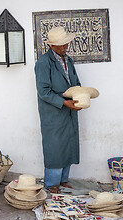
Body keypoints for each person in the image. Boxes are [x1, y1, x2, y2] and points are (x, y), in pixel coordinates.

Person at [35, 26, 82, 193]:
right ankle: (51, 183)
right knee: (55, 147)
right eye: (62, 45)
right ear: (52, 45)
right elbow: (44, 92)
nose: (65, 47)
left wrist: (80, 95)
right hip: (53, 113)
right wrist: (64, 102)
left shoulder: (67, 60)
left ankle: (63, 180)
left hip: (69, 110)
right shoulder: (43, 63)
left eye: (66, 44)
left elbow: (75, 82)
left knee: (68, 144)